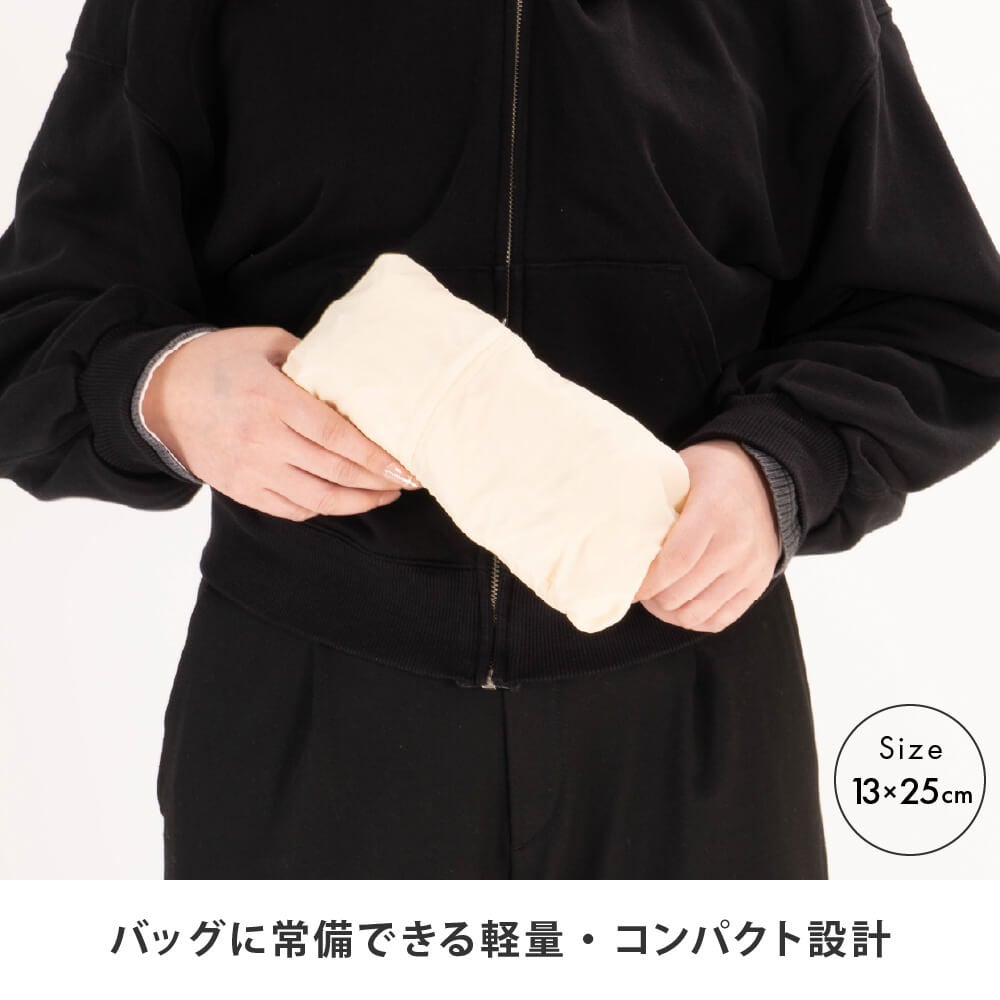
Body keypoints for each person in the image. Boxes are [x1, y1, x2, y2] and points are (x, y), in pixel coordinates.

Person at [2, 0, 999, 879]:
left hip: (692, 721)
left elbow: (938, 324)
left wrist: (777, 465)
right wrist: (165, 390)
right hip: (309, 708)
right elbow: (35, 322)